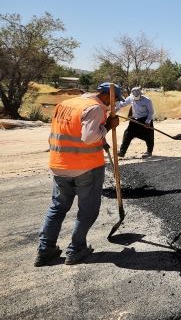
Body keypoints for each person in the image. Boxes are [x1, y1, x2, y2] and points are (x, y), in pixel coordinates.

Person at [35, 82, 122, 266]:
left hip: (59, 164)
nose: (111, 106)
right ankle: (76, 249)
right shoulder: (96, 108)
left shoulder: (66, 104)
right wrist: (108, 126)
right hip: (86, 167)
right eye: (114, 101)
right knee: (87, 210)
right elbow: (88, 137)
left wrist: (102, 141)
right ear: (108, 97)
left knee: (58, 207)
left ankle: (45, 249)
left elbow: (63, 132)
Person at [115, 87, 155, 158]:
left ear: (140, 94)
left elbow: (151, 111)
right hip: (135, 120)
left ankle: (149, 152)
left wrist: (148, 121)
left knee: (149, 136)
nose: (136, 97)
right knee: (127, 134)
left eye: (137, 96)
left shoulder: (147, 100)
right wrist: (114, 111)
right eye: (135, 96)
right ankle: (122, 152)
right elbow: (121, 105)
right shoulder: (130, 98)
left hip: (145, 120)